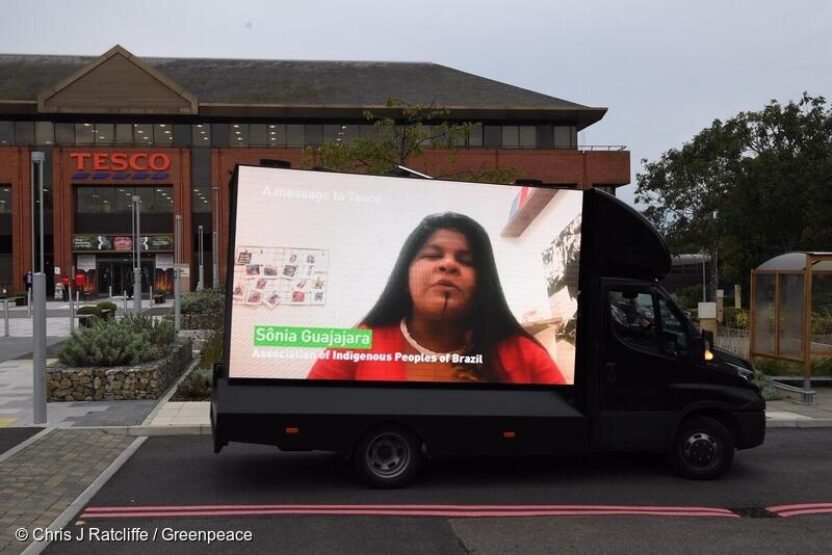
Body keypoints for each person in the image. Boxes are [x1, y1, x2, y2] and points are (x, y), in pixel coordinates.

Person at [307, 212, 565, 384]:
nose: (448, 265)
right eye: (432, 255)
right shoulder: (355, 344)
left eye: (466, 261)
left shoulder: (525, 354)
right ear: (404, 280)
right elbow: (311, 408)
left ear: (482, 286)